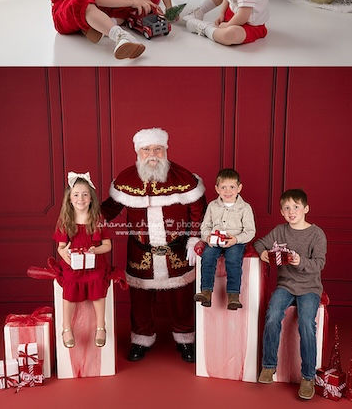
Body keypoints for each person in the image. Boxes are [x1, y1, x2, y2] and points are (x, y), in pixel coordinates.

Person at [101, 128, 206, 363]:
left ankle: (186, 340)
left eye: (157, 149)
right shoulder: (126, 179)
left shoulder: (183, 178)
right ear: (137, 152)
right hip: (140, 251)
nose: (152, 155)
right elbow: (109, 209)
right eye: (146, 150)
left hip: (177, 250)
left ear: (165, 150)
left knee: (181, 296)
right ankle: (141, 339)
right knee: (140, 297)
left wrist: (194, 238)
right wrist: (81, 217)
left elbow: (198, 210)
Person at [254, 189, 327, 401]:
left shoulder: (316, 234)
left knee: (306, 323)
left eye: (295, 207)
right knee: (273, 315)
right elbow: (260, 243)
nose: (291, 211)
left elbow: (319, 264)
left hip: (309, 287)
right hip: (285, 285)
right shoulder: (279, 231)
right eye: (286, 208)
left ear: (306, 209)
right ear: (281, 212)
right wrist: (264, 254)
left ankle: (308, 376)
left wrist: (300, 261)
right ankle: (268, 365)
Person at [54, 172, 111, 349]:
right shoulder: (66, 220)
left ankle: (101, 326)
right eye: (76, 195)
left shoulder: (98, 219)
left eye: (85, 194)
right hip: (73, 263)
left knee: (97, 281)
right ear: (69, 199)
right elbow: (60, 248)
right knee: (70, 282)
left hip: (95, 263)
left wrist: (96, 249)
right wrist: (67, 256)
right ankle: (66, 327)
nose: (81, 198)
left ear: (91, 198)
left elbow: (107, 245)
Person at [194, 168, 256, 310]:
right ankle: (206, 291)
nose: (228, 191)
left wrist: (236, 239)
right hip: (215, 239)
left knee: (233, 259)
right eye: (223, 187)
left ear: (239, 188)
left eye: (232, 187)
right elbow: (205, 226)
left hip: (234, 240)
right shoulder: (212, 206)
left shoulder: (245, 208)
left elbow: (250, 231)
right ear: (217, 189)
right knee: (208, 256)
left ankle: (233, 295)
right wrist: (207, 237)